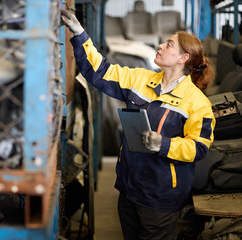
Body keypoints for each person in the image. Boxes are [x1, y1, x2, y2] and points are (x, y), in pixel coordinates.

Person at [61, 9, 215, 240]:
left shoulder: (197, 103)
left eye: (169, 44)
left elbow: (198, 148)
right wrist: (80, 34)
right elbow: (100, 72)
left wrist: (162, 144)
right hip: (129, 188)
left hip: (160, 196)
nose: (161, 46)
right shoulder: (142, 79)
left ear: (183, 58)